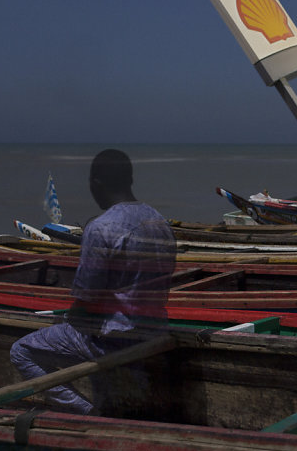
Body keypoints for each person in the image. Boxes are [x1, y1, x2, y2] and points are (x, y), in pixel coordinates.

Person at [10, 149, 176, 415]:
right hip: (154, 331)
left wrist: (70, 318)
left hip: (114, 339)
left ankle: (88, 412)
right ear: (129, 180)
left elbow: (87, 297)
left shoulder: (101, 228)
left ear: (96, 183)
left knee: (22, 351)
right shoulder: (159, 222)